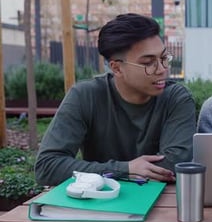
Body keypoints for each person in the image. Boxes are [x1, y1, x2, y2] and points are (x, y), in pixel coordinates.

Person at [35, 13, 197, 186]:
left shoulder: (176, 98)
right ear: (117, 68)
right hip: (99, 201)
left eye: (164, 58)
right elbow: (47, 167)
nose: (162, 69)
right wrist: (125, 169)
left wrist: (105, 171)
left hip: (162, 203)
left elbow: (173, 166)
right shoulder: (85, 96)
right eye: (149, 63)